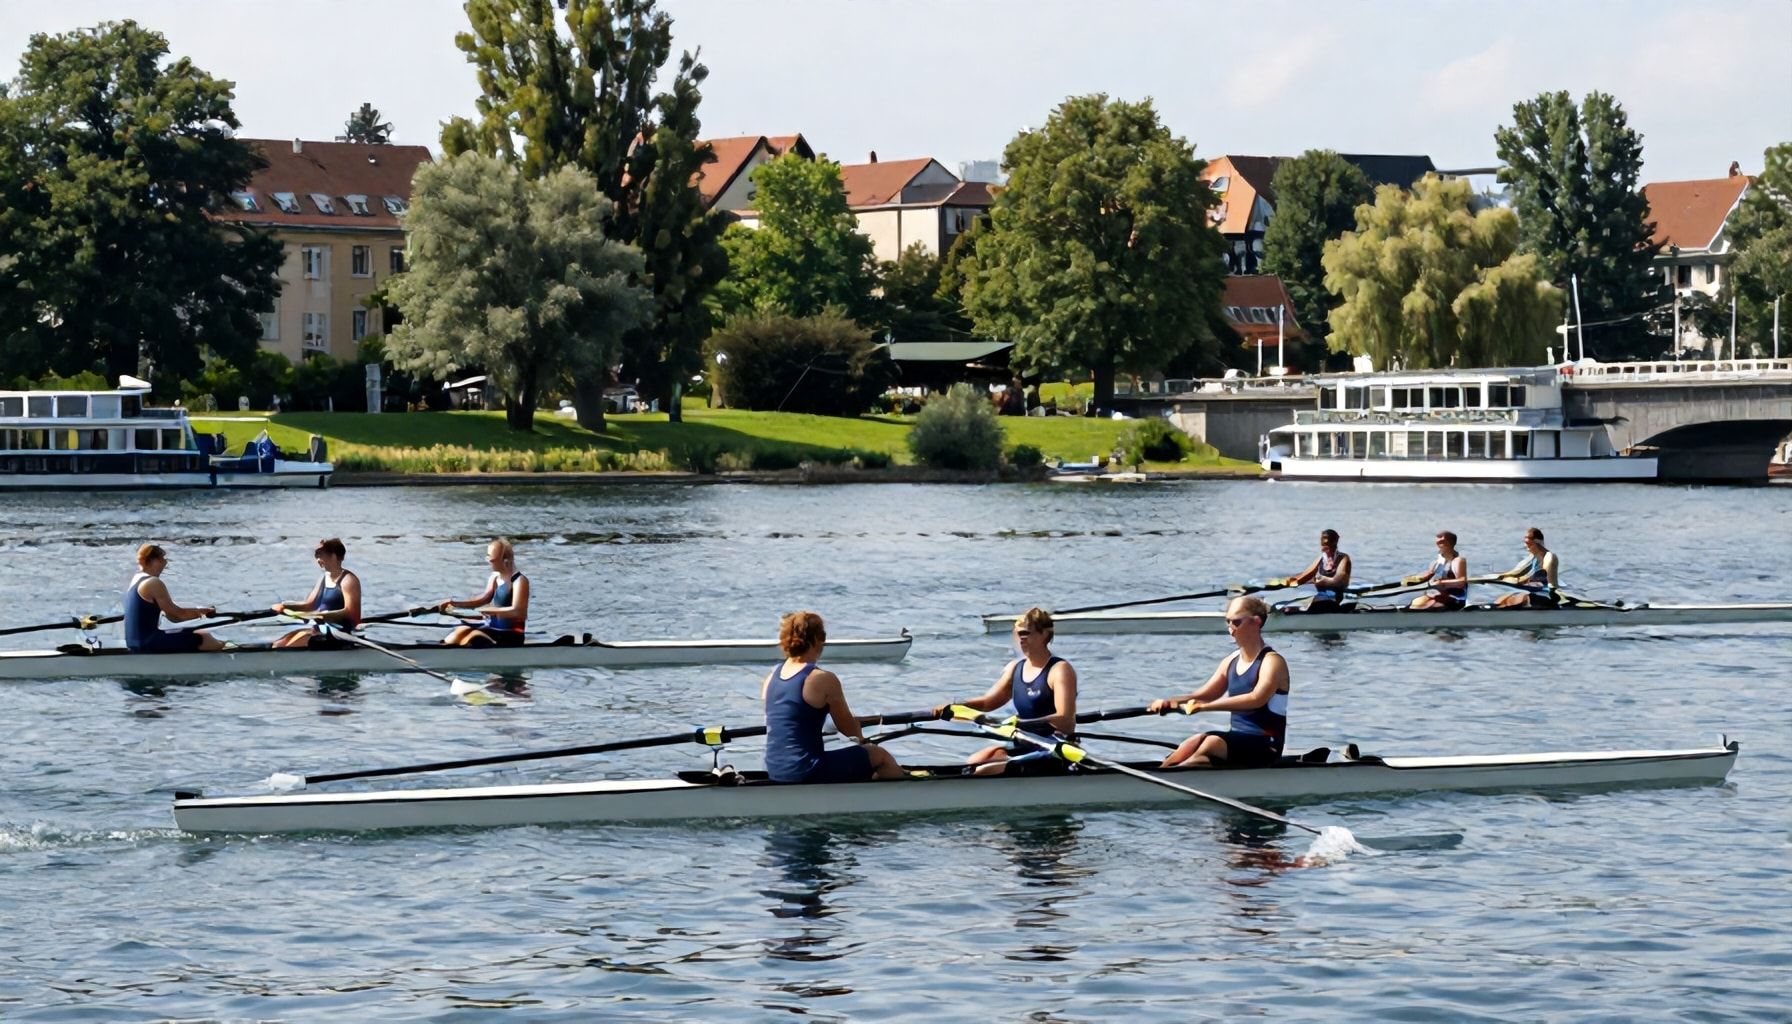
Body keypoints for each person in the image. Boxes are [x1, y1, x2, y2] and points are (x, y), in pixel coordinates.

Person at [1146, 595, 1288, 768]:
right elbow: (1205, 694)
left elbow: (1256, 699)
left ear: (1256, 622)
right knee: (1193, 742)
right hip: (1238, 741)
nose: (1230, 629)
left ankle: (1174, 778)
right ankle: (1162, 772)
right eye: (1228, 622)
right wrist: (1171, 701)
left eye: (1236, 622)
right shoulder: (1231, 660)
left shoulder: (1272, 662)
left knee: (1211, 743)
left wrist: (1204, 707)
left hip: (1267, 745)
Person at [934, 607, 1079, 775]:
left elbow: (1066, 720)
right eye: (1018, 634)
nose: (1021, 639)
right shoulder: (1015, 668)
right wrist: (954, 708)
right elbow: (988, 703)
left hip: (1054, 751)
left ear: (1044, 635)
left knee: (984, 770)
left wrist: (1021, 723)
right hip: (1025, 746)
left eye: (1026, 633)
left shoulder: (1060, 670)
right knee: (975, 761)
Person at [762, 611, 904, 783]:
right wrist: (862, 740)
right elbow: (847, 727)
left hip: (774, 769)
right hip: (807, 770)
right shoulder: (821, 679)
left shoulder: (771, 677)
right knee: (879, 756)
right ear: (817, 639)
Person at [124, 544, 226, 653]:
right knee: (202, 636)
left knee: (192, 633)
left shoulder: (135, 581)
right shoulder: (153, 583)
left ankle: (219, 648)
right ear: (154, 561)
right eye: (163, 559)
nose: (165, 563)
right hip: (147, 643)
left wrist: (200, 612)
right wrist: (202, 614)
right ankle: (227, 657)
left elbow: (173, 616)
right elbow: (178, 615)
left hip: (134, 643)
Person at [271, 538, 362, 648]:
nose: (318, 560)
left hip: (340, 634)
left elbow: (351, 613)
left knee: (282, 647)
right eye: (316, 556)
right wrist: (285, 605)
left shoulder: (348, 580)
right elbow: (309, 605)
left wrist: (323, 615)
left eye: (320, 556)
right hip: (321, 629)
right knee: (278, 644)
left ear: (333, 556)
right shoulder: (324, 578)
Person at [439, 539, 530, 647]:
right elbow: (482, 600)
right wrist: (455, 604)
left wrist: (490, 611)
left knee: (474, 636)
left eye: (490, 558)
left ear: (505, 561)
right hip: (493, 629)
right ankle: (443, 650)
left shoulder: (519, 581)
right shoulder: (495, 577)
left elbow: (519, 612)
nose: (487, 560)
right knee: (460, 630)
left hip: (511, 635)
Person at [1275, 529, 1352, 613]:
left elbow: (1339, 580)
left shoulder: (1343, 559)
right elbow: (1303, 577)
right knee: (1292, 603)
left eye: (1329, 542)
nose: (1326, 544)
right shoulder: (1321, 559)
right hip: (1321, 597)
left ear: (1335, 542)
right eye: (1324, 542)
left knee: (1309, 602)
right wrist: (1284, 583)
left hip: (1334, 598)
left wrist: (1326, 581)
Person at [1495, 527, 1560, 608]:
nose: (1525, 546)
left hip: (1546, 596)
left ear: (1537, 542)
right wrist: (1500, 577)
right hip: (1534, 592)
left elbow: (1546, 579)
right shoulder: (1533, 558)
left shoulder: (1549, 557)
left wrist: (1522, 581)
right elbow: (1516, 572)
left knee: (1517, 598)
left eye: (1527, 543)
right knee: (1501, 599)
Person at [1407, 530, 1469, 610]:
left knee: (1421, 605)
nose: (1440, 542)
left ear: (1451, 543)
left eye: (1443, 541)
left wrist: (1441, 582)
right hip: (1438, 595)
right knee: (1416, 602)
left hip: (1455, 598)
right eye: (1438, 540)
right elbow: (1429, 575)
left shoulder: (1458, 560)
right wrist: (1415, 579)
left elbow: (1461, 581)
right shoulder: (1436, 563)